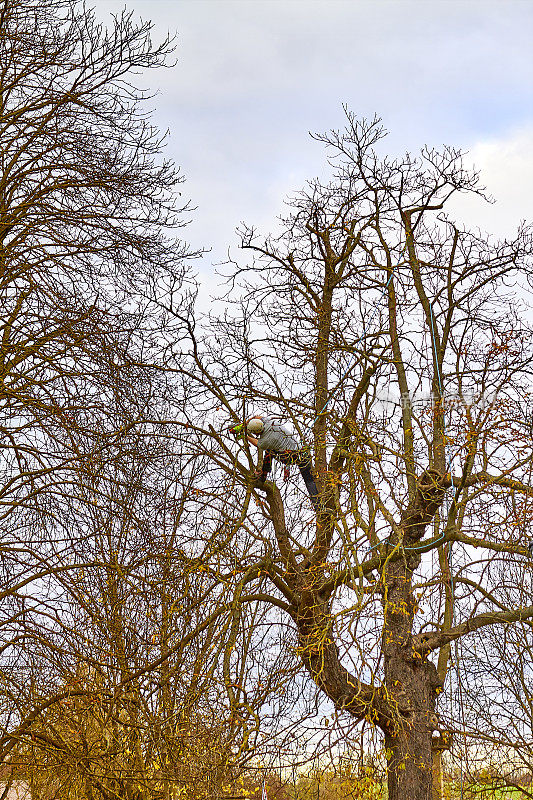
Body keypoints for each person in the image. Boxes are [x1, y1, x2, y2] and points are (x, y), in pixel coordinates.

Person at [245, 416, 319, 509]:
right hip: (303, 454)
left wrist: (246, 436)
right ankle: (318, 506)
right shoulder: (271, 422)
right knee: (309, 481)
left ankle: (263, 476)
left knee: (269, 452)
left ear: (256, 432)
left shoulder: (265, 441)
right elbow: (257, 416)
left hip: (291, 458)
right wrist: (247, 422)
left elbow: (257, 443)